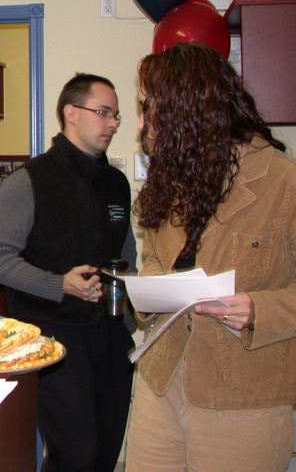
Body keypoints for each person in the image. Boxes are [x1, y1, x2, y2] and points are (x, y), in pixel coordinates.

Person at [125, 42, 296, 471]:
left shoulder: (283, 182)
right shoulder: (175, 177)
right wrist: (150, 289)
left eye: (149, 108)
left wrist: (259, 309)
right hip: (160, 381)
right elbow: (154, 258)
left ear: (189, 109)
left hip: (241, 393)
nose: (143, 123)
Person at [0, 73, 136, 472]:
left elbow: (126, 253)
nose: (113, 124)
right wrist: (57, 284)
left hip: (112, 338)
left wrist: (135, 313)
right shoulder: (29, 181)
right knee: (75, 456)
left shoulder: (116, 183)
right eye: (103, 113)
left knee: (104, 451)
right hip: (54, 338)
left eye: (116, 115)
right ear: (71, 113)